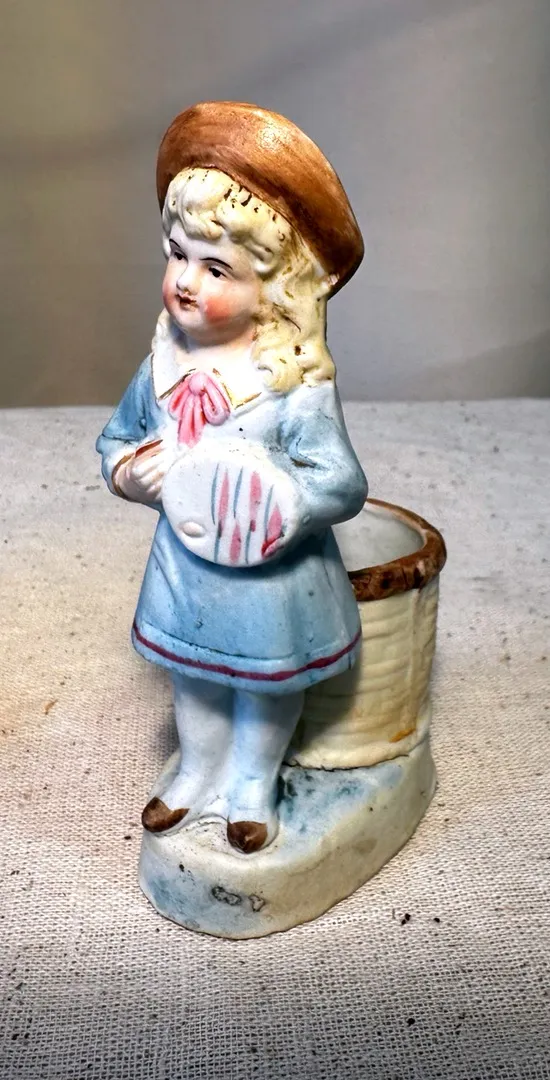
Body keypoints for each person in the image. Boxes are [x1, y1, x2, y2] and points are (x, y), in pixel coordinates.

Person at [96, 102, 368, 854]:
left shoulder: (292, 385)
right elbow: (115, 439)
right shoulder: (162, 365)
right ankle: (196, 770)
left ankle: (251, 784)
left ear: (277, 289)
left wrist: (286, 503)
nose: (185, 282)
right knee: (194, 676)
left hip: (270, 581)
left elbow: (342, 481)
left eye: (215, 268)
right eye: (177, 255)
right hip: (185, 570)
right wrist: (130, 473)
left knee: (262, 684)